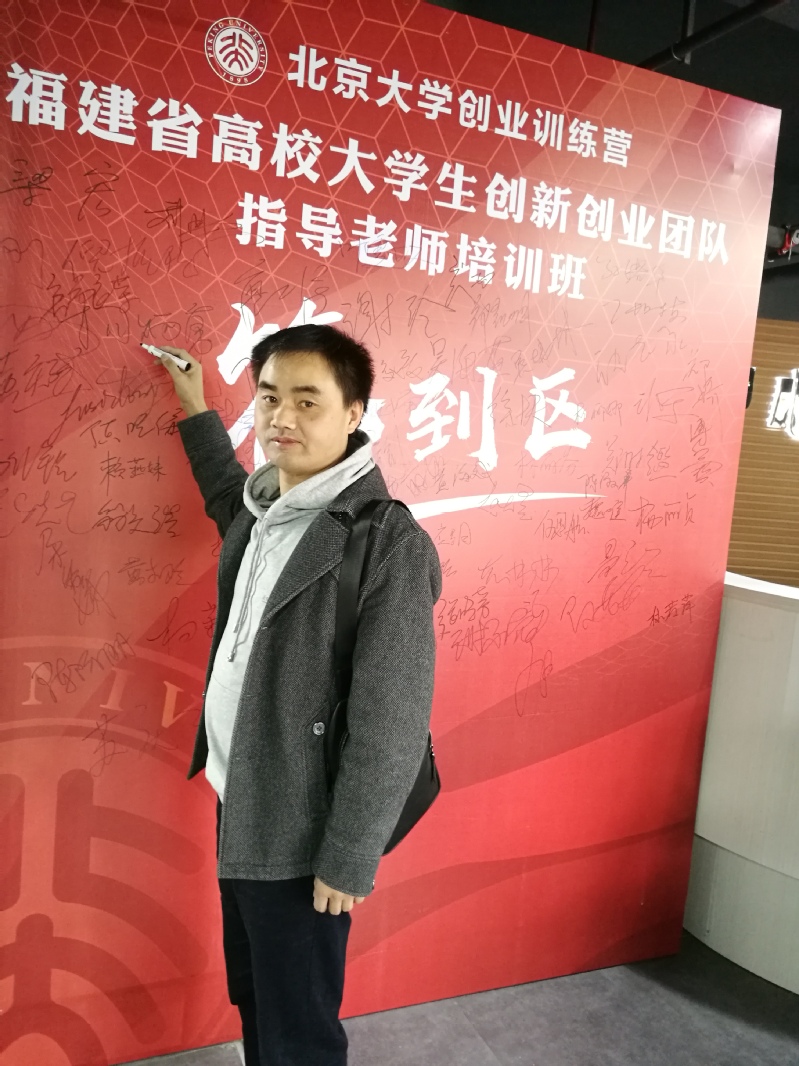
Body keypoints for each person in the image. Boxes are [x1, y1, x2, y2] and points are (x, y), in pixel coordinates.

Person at [155, 325, 442, 1066]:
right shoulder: (262, 512)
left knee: (300, 1028)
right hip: (241, 796)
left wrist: (349, 855)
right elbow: (225, 493)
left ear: (354, 414)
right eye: (269, 398)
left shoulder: (384, 542)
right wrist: (195, 406)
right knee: (257, 992)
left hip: (304, 830)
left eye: (307, 401)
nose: (281, 418)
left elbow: (392, 720)